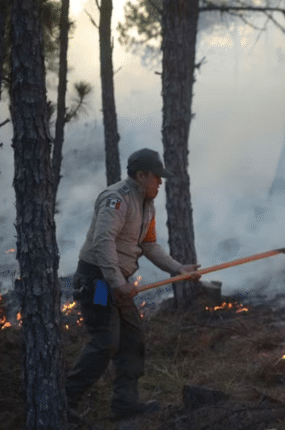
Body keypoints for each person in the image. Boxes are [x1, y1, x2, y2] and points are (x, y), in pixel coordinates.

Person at [66, 148, 200, 422]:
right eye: (156, 177)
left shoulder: (147, 204)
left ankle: (125, 404)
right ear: (141, 175)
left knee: (132, 339)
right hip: (99, 282)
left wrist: (179, 269)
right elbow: (103, 242)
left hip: (117, 283)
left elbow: (149, 245)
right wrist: (116, 282)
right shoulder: (117, 199)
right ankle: (64, 401)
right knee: (106, 341)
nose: (160, 183)